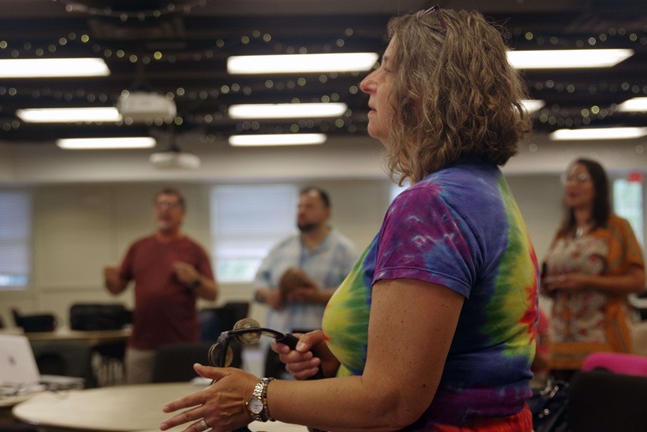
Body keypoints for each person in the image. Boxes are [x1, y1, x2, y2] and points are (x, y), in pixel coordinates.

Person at [160, 6, 538, 431]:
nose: (367, 82)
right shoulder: (483, 188)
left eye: (388, 68)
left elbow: (390, 401)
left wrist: (256, 396)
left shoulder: (431, 206)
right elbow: (451, 353)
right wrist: (350, 352)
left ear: (426, 89)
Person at [541, 158, 645, 382]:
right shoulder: (564, 231)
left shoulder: (617, 228)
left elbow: (638, 281)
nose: (572, 185)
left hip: (601, 337)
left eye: (581, 179)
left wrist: (588, 282)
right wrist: (549, 285)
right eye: (568, 178)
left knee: (601, 409)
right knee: (562, 410)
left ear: (597, 187)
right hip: (562, 341)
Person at [104, 187, 218, 384]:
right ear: (154, 211)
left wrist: (195, 279)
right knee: (138, 403)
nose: (164, 209)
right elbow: (117, 289)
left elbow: (213, 294)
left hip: (182, 344)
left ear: (182, 213)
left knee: (182, 403)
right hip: (142, 343)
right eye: (160, 205)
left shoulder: (194, 250)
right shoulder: (138, 247)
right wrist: (108, 279)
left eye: (171, 205)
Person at [253, 186, 358, 378]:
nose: (301, 211)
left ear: (326, 213)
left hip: (322, 344)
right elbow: (259, 282)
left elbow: (355, 295)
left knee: (317, 401)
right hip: (278, 340)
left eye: (309, 206)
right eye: (299, 206)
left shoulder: (345, 251)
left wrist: (318, 296)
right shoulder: (282, 247)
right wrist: (269, 295)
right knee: (271, 399)